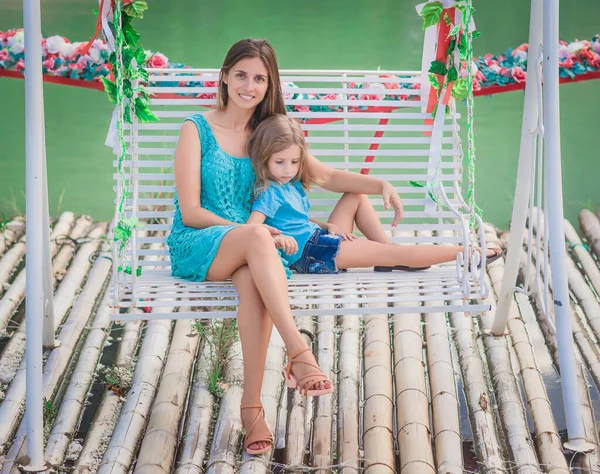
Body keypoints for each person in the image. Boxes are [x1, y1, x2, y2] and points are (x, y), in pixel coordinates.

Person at [167, 37, 479, 456]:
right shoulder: (197, 129)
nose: (249, 85)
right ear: (224, 77)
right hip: (201, 242)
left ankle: (251, 408)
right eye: (240, 75)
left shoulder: (269, 131)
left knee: (254, 289)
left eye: (259, 78)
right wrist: (252, 234)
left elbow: (326, 177)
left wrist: (379, 184)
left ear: (269, 83)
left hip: (255, 250)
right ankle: (299, 351)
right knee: (257, 239)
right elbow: (190, 211)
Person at [246, 114, 504, 275]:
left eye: (294, 162)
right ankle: (468, 253)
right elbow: (252, 231)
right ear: (264, 158)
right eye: (279, 162)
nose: (288, 170)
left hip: (317, 238)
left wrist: (327, 224)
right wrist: (278, 242)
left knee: (355, 196)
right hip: (310, 253)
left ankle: (387, 253)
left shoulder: (290, 185)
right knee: (397, 253)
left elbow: (294, 221)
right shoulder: (269, 193)